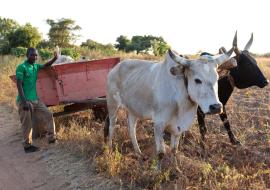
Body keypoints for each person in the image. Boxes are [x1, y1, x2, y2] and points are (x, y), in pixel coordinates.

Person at [16, 47, 58, 153]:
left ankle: (52, 138)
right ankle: (27, 146)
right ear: (27, 55)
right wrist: (24, 102)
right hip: (25, 101)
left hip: (36, 100)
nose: (34, 57)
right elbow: (19, 85)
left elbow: (45, 66)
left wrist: (55, 58)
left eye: (36, 55)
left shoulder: (35, 66)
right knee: (27, 123)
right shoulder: (21, 67)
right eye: (32, 55)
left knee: (48, 114)